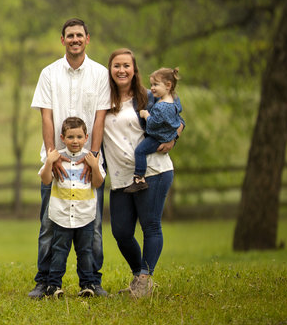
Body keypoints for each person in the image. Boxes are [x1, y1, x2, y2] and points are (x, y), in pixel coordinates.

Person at [28, 18, 110, 299]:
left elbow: (100, 117)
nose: (75, 39)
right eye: (69, 35)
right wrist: (54, 157)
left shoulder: (100, 74)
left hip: (87, 164)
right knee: (49, 225)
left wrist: (94, 156)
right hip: (57, 164)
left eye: (79, 35)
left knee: (93, 226)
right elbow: (47, 116)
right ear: (62, 40)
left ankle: (92, 282)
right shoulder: (49, 73)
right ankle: (44, 281)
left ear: (88, 38)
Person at [104, 49, 182, 298]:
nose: (122, 70)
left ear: (134, 69)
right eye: (117, 65)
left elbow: (178, 118)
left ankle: (144, 281)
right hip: (120, 177)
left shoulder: (148, 97)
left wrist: (174, 139)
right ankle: (139, 276)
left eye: (127, 65)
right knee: (121, 232)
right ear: (110, 70)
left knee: (150, 225)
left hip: (153, 171)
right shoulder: (103, 101)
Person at [40, 117, 105, 298]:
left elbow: (98, 183)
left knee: (85, 252)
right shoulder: (56, 157)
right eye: (70, 137)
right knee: (59, 251)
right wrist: (49, 162)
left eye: (79, 137)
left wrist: (94, 167)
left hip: (85, 215)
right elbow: (45, 180)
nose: (75, 141)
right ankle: (53, 286)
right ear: (62, 137)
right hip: (61, 214)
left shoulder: (91, 159)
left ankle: (87, 285)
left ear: (86, 137)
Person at [125, 67, 183, 193]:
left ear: (168, 85)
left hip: (158, 138)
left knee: (140, 151)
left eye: (156, 85)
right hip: (166, 136)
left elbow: (153, 124)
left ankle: (139, 178)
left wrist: (146, 115)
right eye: (151, 84)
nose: (152, 88)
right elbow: (177, 119)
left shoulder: (161, 106)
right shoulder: (172, 102)